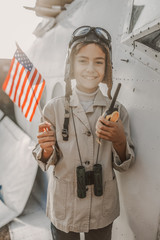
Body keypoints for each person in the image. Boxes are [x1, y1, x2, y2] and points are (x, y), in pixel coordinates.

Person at [32, 26, 135, 240]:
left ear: (107, 68)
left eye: (99, 62)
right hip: (63, 207)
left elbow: (124, 163)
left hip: (102, 208)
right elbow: (43, 158)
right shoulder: (53, 108)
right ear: (71, 65)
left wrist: (119, 140)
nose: (90, 68)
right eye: (82, 61)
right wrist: (46, 148)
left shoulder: (117, 112)